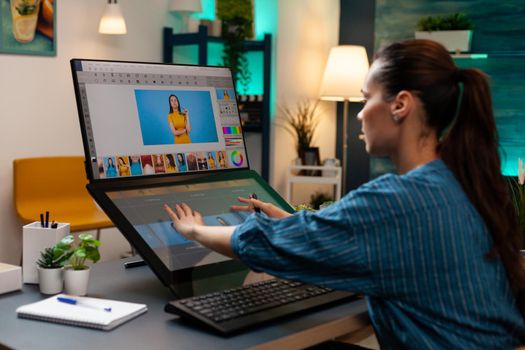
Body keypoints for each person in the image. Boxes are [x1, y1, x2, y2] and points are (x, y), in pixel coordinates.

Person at [164, 40, 525, 348]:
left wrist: (196, 230)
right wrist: (296, 223)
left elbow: (264, 244)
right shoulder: (459, 181)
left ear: (401, 104)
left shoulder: (397, 200)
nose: (359, 114)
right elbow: (383, 240)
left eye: (367, 98)